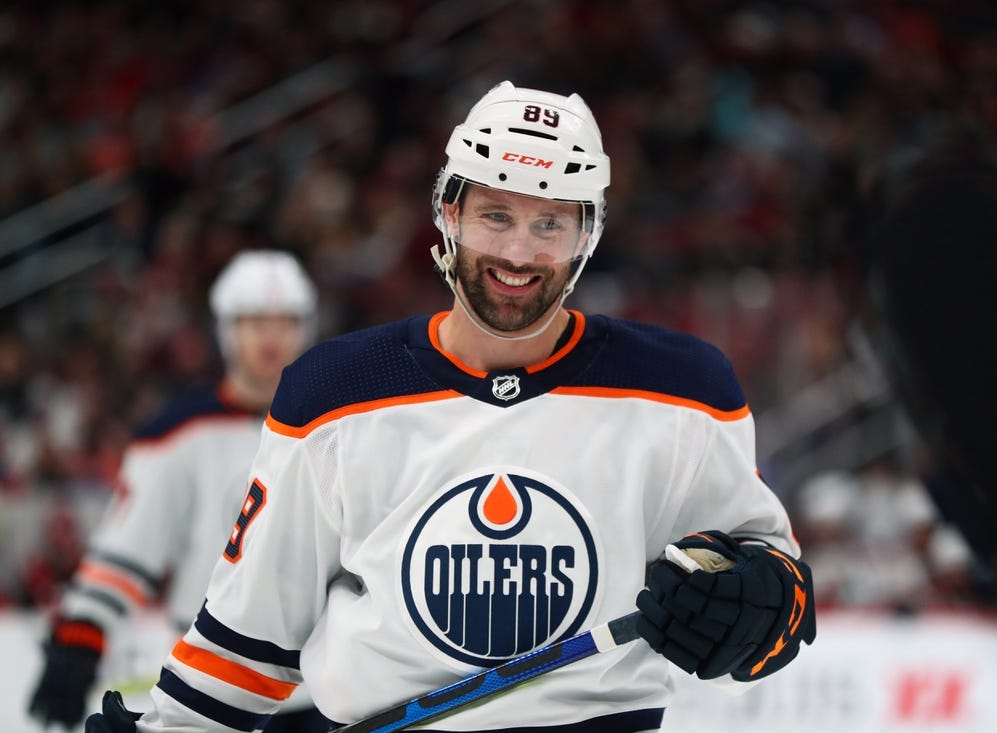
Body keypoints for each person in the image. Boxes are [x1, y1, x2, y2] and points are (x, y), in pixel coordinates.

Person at [85, 81, 816, 733]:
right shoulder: (334, 390)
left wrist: (755, 606)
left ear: (587, 235)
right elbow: (249, 640)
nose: (520, 253)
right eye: (496, 215)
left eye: (550, 224)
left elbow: (778, 587)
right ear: (449, 212)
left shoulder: (683, 388)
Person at [29, 249, 332, 732]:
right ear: (227, 329)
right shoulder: (178, 433)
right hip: (211, 687)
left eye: (286, 321)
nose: (272, 336)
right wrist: (83, 628)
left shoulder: (342, 426)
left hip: (323, 689)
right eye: (256, 321)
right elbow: (128, 548)